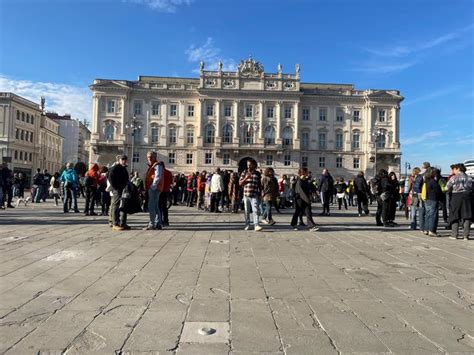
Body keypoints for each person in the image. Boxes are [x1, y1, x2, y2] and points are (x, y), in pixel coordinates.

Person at [447, 163, 472, 240]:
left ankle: (454, 235)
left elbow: (447, 187)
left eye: (454, 169)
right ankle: (466, 235)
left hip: (456, 196)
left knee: (455, 214)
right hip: (466, 196)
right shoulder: (469, 178)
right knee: (466, 215)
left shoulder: (453, 178)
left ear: (458, 169)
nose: (453, 171)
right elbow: (471, 187)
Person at [291, 167, 319, 232]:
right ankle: (293, 224)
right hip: (299, 198)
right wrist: (307, 200)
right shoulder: (298, 180)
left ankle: (311, 226)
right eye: (306, 172)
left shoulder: (306, 180)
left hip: (306, 198)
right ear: (303, 172)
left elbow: (309, 189)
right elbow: (301, 191)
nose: (307, 173)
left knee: (308, 212)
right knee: (297, 212)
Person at [239, 159, 263, 231]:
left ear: (253, 165)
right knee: (247, 210)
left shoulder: (257, 173)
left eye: (250, 164)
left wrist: (261, 193)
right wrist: (246, 178)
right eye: (247, 165)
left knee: (255, 210)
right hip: (246, 194)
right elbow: (240, 183)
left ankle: (256, 225)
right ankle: (248, 224)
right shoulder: (244, 172)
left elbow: (259, 184)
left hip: (254, 194)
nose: (248, 166)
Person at [143, 151, 163, 230]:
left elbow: (158, 176)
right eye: (148, 157)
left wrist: (152, 186)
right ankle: (158, 223)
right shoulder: (154, 165)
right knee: (155, 206)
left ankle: (152, 223)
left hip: (154, 188)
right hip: (155, 188)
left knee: (151, 206)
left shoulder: (157, 165)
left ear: (155, 157)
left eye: (151, 157)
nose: (149, 159)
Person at [109, 155, 130, 230]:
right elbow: (110, 177)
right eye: (123, 159)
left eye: (125, 159)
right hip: (117, 189)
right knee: (116, 205)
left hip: (124, 189)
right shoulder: (115, 168)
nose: (124, 161)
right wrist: (115, 187)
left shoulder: (124, 168)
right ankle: (115, 223)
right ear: (119, 160)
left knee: (124, 205)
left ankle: (123, 223)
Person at [424, 168, 443, 237]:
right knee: (433, 215)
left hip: (427, 199)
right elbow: (438, 191)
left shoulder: (427, 181)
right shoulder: (433, 182)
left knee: (428, 215)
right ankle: (432, 230)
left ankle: (426, 229)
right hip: (433, 200)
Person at [159, 161, 173, 226]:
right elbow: (171, 182)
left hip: (160, 191)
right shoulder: (169, 172)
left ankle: (160, 221)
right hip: (166, 191)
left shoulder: (159, 172)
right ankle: (166, 221)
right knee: (165, 207)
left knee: (159, 207)